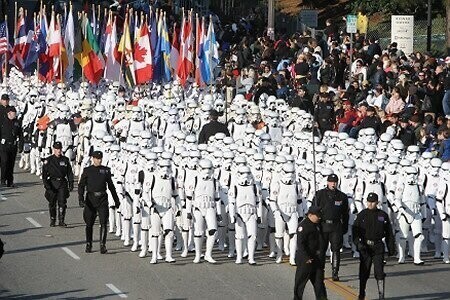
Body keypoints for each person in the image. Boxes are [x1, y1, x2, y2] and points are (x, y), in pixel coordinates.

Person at [353, 193, 395, 300]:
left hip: (378, 246)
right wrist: (358, 243)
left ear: (377, 203)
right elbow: (355, 230)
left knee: (379, 272)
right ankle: (362, 293)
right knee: (364, 271)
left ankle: (381, 294)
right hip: (365, 246)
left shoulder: (382, 215)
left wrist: (391, 248)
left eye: (372, 202)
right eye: (368, 202)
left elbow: (389, 232)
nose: (370, 204)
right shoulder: (362, 214)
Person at [78, 151, 120, 254]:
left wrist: (116, 200)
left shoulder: (105, 171)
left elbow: (111, 186)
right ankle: (89, 244)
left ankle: (102, 245)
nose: (99, 160)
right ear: (93, 159)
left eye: (100, 158)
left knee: (103, 222)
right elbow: (81, 185)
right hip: (91, 198)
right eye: (97, 158)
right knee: (89, 223)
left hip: (102, 199)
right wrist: (81, 199)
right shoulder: (87, 170)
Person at [314, 174, 349, 281]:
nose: (333, 184)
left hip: (336, 226)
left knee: (336, 250)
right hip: (323, 225)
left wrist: (345, 227)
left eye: (335, 182)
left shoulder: (342, 196)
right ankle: (320, 271)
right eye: (331, 182)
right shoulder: (320, 194)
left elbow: (345, 213)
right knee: (321, 250)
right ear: (327, 182)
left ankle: (335, 272)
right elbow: (313, 210)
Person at [294, 205, 327, 300]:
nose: (319, 217)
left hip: (317, 259)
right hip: (306, 260)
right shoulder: (303, 226)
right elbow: (301, 244)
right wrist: (306, 258)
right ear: (310, 215)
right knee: (300, 284)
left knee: (319, 283)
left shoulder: (318, 224)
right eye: (317, 215)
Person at [42, 141, 74, 227]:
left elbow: (69, 173)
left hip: (62, 183)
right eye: (56, 149)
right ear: (53, 149)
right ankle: (53, 219)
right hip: (52, 183)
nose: (58, 151)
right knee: (52, 203)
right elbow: (44, 175)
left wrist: (71, 183)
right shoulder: (48, 160)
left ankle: (61, 220)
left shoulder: (65, 160)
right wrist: (47, 186)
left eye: (59, 149)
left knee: (62, 202)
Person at [0, 106, 22, 187]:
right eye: (13, 113)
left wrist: (21, 145)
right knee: (4, 162)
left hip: (13, 145)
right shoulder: (2, 122)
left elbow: (20, 134)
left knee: (11, 164)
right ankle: (3, 180)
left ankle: (10, 181)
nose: (15, 115)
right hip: (4, 145)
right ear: (9, 113)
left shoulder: (17, 122)